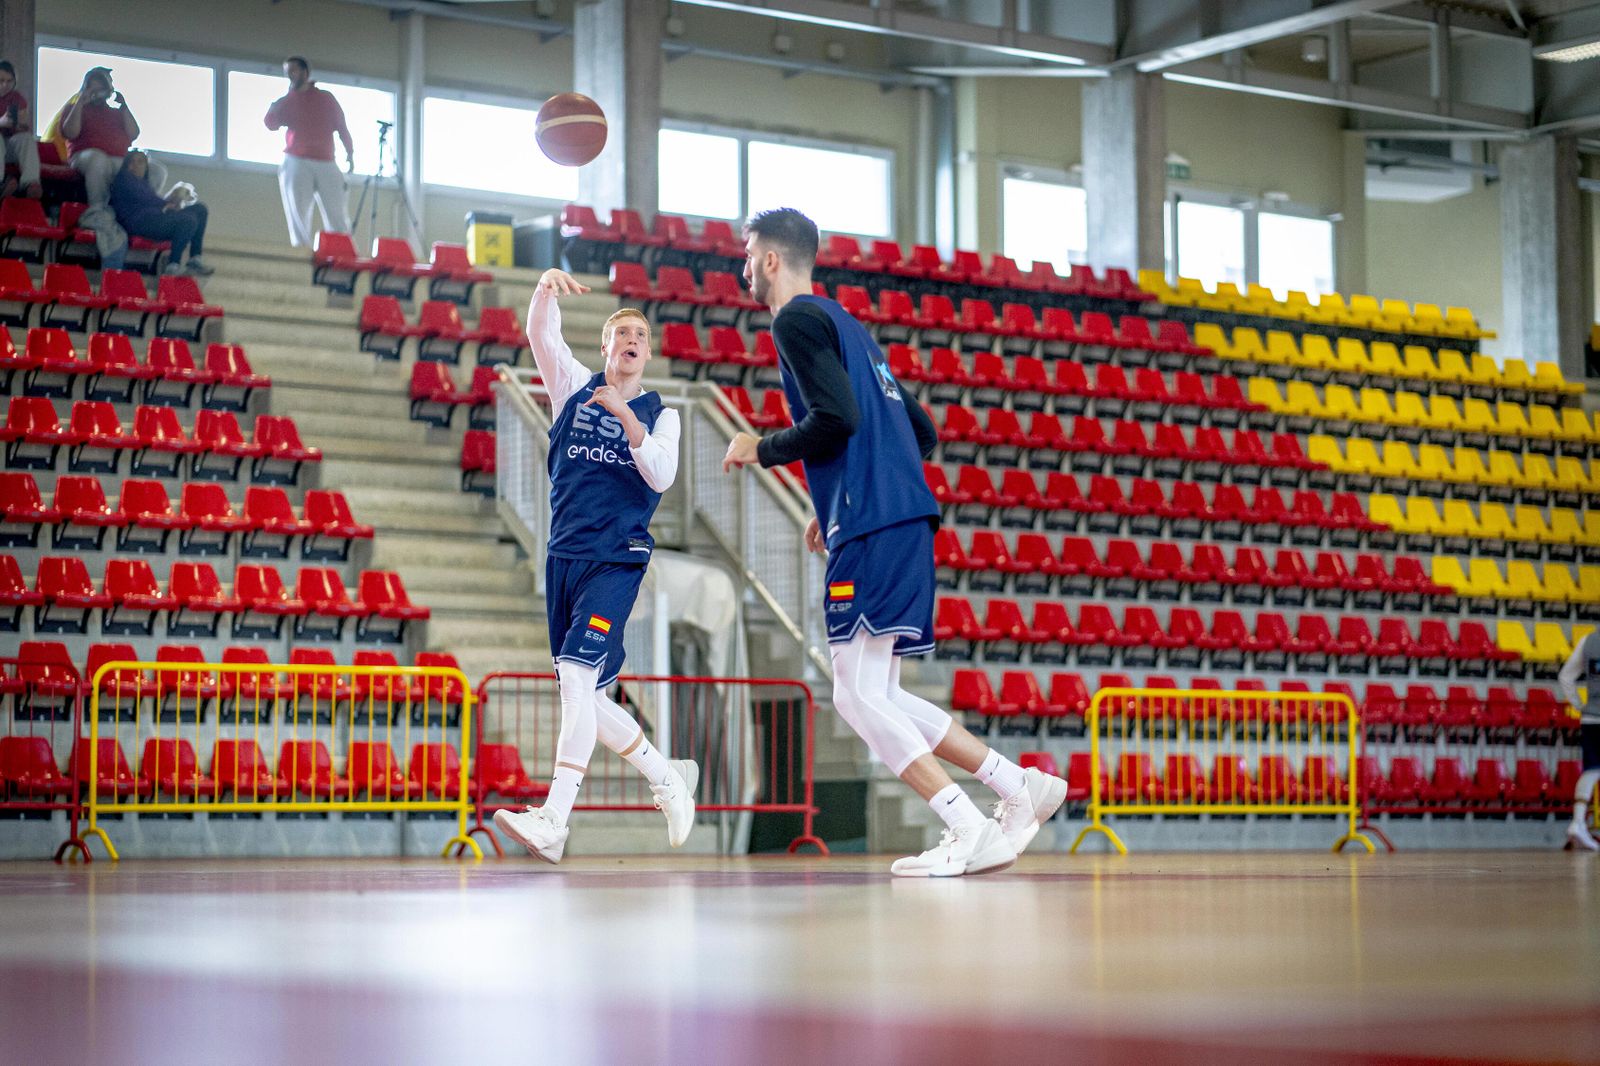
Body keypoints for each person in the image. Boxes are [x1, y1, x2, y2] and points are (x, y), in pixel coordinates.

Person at [722, 207, 1067, 878]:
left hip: (875, 523)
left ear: (770, 260)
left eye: (747, 253)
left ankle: (966, 824)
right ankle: (1015, 786)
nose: (741, 267)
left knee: (855, 696)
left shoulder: (794, 320)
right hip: (899, 517)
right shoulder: (852, 328)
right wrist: (844, 495)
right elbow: (920, 428)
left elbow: (837, 419)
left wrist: (759, 447)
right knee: (880, 692)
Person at [492, 267, 697, 864]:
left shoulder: (662, 414)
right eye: (620, 333)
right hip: (564, 556)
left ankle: (554, 818)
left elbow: (661, 473)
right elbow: (541, 338)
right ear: (606, 346)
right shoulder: (573, 386)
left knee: (578, 680)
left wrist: (627, 418)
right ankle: (666, 777)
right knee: (586, 696)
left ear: (648, 352)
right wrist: (543, 292)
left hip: (617, 557)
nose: (630, 340)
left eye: (640, 334)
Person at [264, 57, 353, 248]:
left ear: (305, 72)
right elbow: (271, 124)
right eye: (287, 71)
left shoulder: (325, 98)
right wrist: (278, 104)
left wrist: (350, 152)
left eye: (294, 70)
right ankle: (301, 250)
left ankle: (340, 248)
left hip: (326, 160)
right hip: (297, 159)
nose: (290, 75)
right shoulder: (287, 101)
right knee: (297, 210)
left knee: (336, 211)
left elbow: (341, 126)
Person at [109, 151, 212, 276]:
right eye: (132, 162)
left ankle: (195, 259)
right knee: (188, 220)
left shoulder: (144, 183)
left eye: (140, 162)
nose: (135, 165)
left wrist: (170, 204)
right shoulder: (124, 178)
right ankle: (173, 265)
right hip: (139, 223)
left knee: (200, 209)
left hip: (155, 218)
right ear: (127, 165)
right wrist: (166, 204)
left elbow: (151, 199)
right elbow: (145, 198)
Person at [60, 66, 138, 209]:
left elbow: (134, 134)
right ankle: (98, 210)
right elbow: (70, 133)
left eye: (102, 89)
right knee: (98, 159)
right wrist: (81, 102)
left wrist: (124, 107)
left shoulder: (117, 113)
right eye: (93, 89)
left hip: (118, 159)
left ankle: (136, 213)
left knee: (155, 169)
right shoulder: (74, 108)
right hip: (85, 156)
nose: (98, 94)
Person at [1557, 632, 1600, 851]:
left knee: (1592, 770)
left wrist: (1579, 705)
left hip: (1591, 717)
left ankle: (1578, 822)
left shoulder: (1588, 641)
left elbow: (1565, 676)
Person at [0, 60, 42, 199]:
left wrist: (21, 123)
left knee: (26, 138)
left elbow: (23, 128)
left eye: (9, 81)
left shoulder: (17, 98)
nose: (5, 85)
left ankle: (30, 184)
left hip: (10, 146)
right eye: (1, 80)